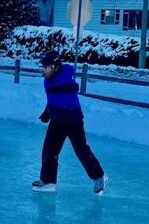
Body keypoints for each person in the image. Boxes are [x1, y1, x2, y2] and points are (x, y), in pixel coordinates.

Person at [33, 50, 109, 194]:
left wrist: (69, 87)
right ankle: (48, 182)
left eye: (46, 67)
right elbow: (54, 99)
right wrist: (47, 112)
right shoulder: (47, 80)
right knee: (49, 150)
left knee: (81, 150)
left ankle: (100, 177)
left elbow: (72, 85)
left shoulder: (63, 76)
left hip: (72, 119)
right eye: (42, 67)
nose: (43, 70)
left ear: (54, 66)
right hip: (57, 119)